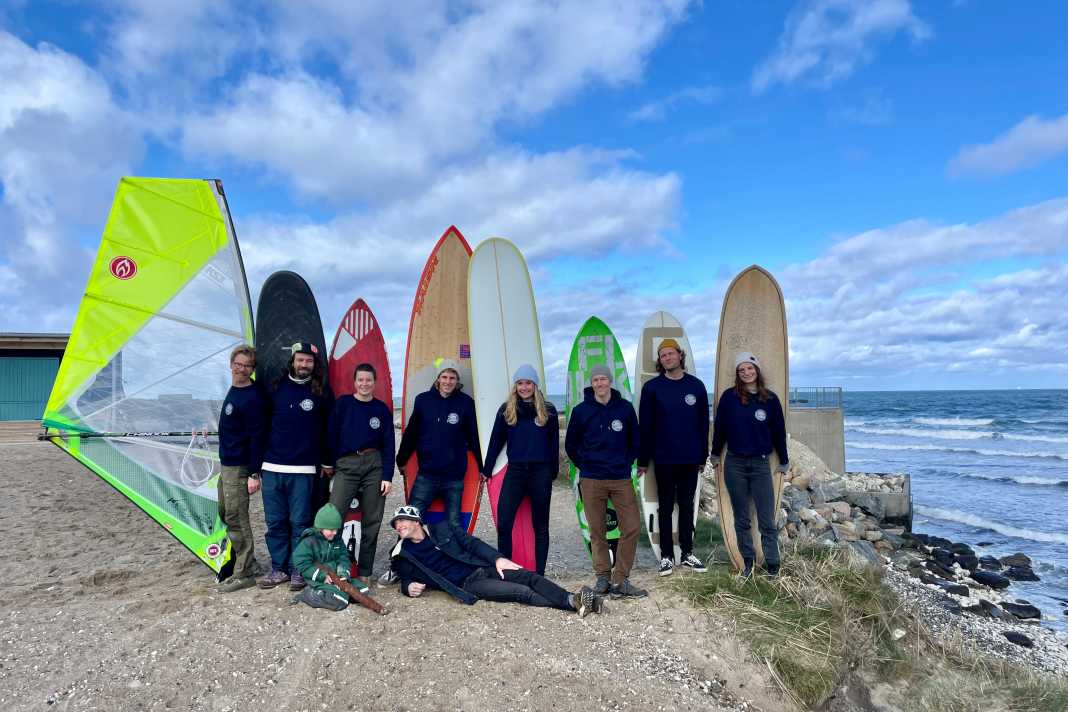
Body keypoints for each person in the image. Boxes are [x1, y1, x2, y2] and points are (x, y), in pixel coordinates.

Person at [388, 505, 604, 616]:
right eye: (396, 525)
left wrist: (498, 559)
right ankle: (575, 603)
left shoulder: (442, 528)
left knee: (528, 576)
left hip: (483, 567)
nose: (399, 526)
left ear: (416, 521)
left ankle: (573, 599)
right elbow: (404, 576)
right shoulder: (403, 553)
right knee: (521, 592)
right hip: (469, 584)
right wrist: (407, 587)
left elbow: (473, 544)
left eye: (402, 521)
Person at [258, 342, 335, 591]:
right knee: (276, 522)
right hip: (271, 466)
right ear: (292, 361)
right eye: (300, 360)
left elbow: (329, 429)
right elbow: (260, 426)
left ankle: (298, 569)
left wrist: (327, 460)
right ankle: (278, 568)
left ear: (315, 364)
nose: (304, 365)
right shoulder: (275, 387)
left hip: (304, 469)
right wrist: (255, 466)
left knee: (300, 523)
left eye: (309, 361)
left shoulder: (322, 391)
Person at [564, 365, 646, 598]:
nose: (600, 383)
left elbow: (635, 440)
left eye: (603, 379)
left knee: (631, 526)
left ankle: (621, 580)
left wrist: (624, 462)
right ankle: (602, 577)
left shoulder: (625, 408)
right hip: (592, 479)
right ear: (592, 384)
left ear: (610, 382)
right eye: (596, 380)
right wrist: (587, 465)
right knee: (597, 530)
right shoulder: (581, 411)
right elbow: (571, 444)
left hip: (620, 478)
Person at [710, 352, 788, 577]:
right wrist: (715, 454)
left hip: (761, 464)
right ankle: (748, 564)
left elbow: (778, 433)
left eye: (750, 368)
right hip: (735, 464)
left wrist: (783, 460)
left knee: (766, 519)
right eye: (741, 370)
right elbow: (721, 429)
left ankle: (773, 566)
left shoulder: (770, 400)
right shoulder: (729, 398)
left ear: (757, 371)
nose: (746, 373)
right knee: (742, 518)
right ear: (737, 374)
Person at [636, 338, 710, 577]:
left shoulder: (696, 386)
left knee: (687, 506)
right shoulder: (652, 388)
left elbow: (702, 424)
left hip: (690, 459)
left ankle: (687, 553)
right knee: (665, 507)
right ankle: (667, 556)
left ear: (680, 355)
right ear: (660, 361)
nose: (667, 358)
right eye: (663, 355)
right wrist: (643, 460)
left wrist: (703, 455)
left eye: (671, 354)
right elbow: (645, 426)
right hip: (664, 459)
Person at [482, 364, 558, 575]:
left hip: (540, 473)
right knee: (504, 523)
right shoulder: (507, 410)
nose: (524, 387)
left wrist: (553, 471)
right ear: (515, 386)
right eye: (520, 383)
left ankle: (540, 574)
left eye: (528, 383)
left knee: (541, 526)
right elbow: (496, 441)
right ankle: (506, 570)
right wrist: (486, 469)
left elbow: (553, 444)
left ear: (535, 385)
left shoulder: (548, 410)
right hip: (515, 472)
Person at [327, 362, 395, 586]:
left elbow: (388, 445)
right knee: (334, 516)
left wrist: (387, 476)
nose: (364, 383)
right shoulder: (344, 404)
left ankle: (365, 571)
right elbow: (332, 434)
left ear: (374, 383)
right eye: (361, 380)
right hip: (347, 464)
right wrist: (331, 463)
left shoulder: (381, 409)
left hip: (374, 464)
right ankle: (335, 567)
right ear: (354, 382)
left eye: (369, 380)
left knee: (372, 520)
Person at [216, 344, 267, 593]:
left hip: (240, 466)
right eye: (238, 364)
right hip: (226, 463)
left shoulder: (254, 396)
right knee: (225, 512)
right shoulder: (234, 390)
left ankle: (244, 571)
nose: (242, 369)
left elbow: (258, 437)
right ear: (231, 364)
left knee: (237, 516)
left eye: (247, 366)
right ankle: (251, 563)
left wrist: (253, 473)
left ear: (252, 369)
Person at [290, 504, 353, 611]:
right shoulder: (309, 541)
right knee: (340, 601)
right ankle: (309, 594)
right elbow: (301, 562)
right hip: (318, 579)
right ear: (321, 527)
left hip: (335, 577)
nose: (335, 532)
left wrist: (343, 573)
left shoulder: (337, 540)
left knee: (363, 590)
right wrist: (321, 576)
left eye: (336, 529)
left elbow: (343, 558)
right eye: (331, 529)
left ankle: (333, 593)